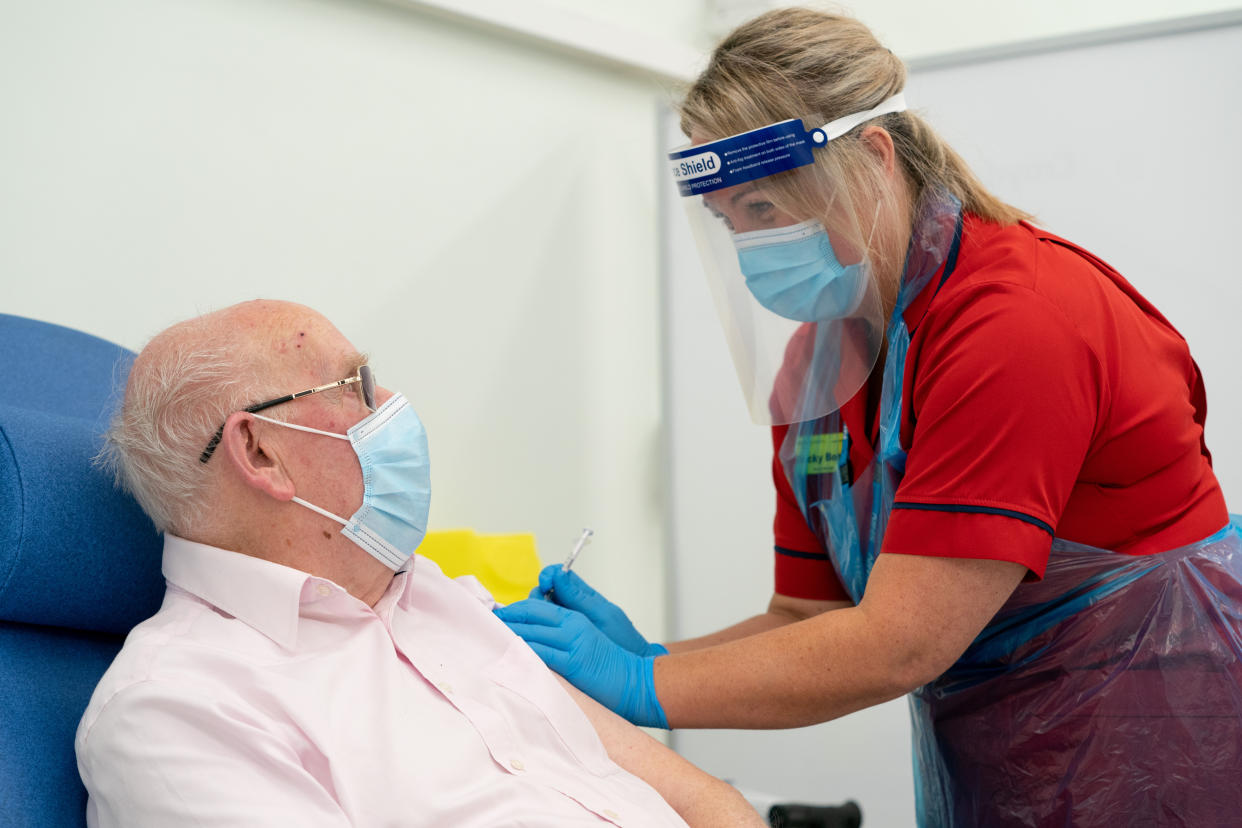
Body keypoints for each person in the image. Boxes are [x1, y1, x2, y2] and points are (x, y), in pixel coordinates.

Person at [497, 8, 1242, 827]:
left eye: (765, 206)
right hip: (994, 758)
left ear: (875, 159)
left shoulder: (1017, 323)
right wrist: (653, 657)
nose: (749, 243)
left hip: (1157, 735)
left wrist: (642, 686)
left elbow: (899, 643)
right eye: (727, 219)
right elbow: (811, 619)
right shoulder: (818, 365)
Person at [75, 299, 764, 828]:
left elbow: (701, 798)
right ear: (259, 453)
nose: (391, 406)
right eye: (355, 383)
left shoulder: (438, 598)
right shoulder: (178, 711)